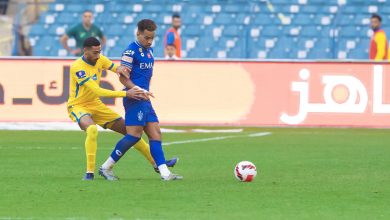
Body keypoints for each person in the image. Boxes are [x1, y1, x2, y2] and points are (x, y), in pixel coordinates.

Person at [67, 37, 177, 180]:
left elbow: (115, 68)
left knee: (130, 133)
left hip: (96, 105)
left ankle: (157, 163)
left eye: (99, 52)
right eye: (94, 52)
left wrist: (121, 69)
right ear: (85, 51)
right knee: (92, 129)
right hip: (78, 106)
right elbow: (98, 91)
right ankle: (89, 173)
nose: (98, 55)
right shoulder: (77, 67)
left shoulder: (100, 59)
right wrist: (126, 93)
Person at [100, 19, 183, 181]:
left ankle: (165, 174)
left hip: (144, 98)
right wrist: (136, 89)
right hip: (134, 98)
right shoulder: (130, 52)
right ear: (138, 33)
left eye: (152, 38)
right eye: (146, 37)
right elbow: (123, 77)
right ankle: (105, 167)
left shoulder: (149, 50)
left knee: (155, 133)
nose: (150, 41)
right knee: (134, 135)